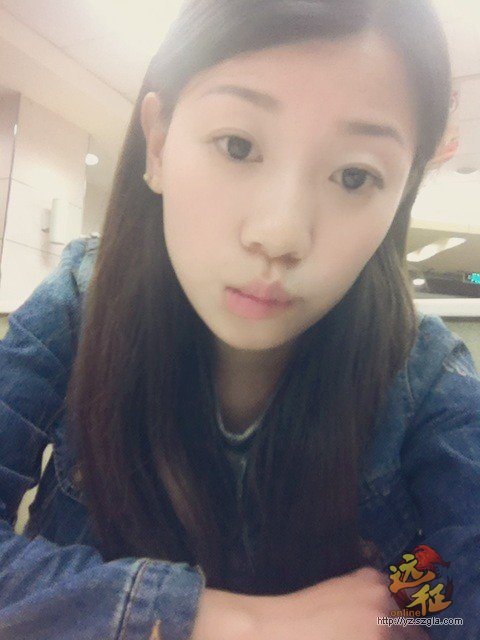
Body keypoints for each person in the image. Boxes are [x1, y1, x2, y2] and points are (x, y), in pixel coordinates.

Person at [0, 0, 478, 638]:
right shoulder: (80, 306)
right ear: (159, 144)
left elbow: (459, 595)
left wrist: (420, 605)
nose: (280, 235)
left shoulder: (425, 378)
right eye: (238, 145)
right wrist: (230, 621)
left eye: (354, 176)